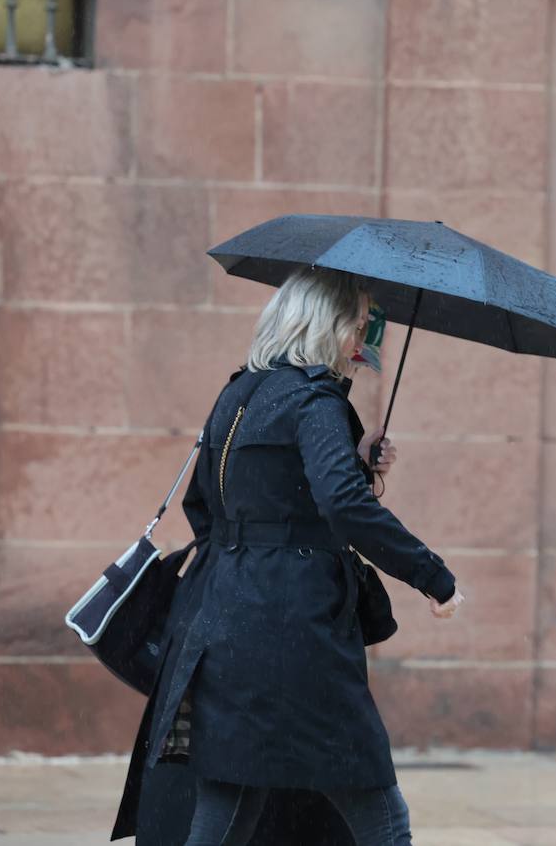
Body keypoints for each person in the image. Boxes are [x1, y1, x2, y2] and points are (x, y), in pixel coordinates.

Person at [115, 267, 463, 845]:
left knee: (229, 805)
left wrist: (354, 463)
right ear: (327, 324)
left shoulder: (238, 393)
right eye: (358, 324)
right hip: (297, 636)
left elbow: (208, 505)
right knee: (381, 815)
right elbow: (344, 508)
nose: (363, 341)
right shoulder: (314, 401)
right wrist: (434, 577)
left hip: (222, 621)